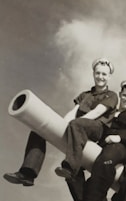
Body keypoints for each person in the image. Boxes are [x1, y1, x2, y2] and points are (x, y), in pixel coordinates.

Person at [3, 58, 117, 193]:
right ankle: (27, 173)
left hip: (96, 129)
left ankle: (70, 167)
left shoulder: (112, 95)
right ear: (93, 74)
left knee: (77, 123)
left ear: (109, 77)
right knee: (39, 131)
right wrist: (60, 125)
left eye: (104, 74)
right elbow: (73, 112)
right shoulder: (85, 95)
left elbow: (97, 112)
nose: (100, 77)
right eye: (98, 73)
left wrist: (73, 124)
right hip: (78, 128)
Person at [61, 80, 126, 201]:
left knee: (105, 161)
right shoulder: (111, 112)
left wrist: (119, 137)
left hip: (122, 148)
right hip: (104, 145)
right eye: (125, 95)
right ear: (120, 94)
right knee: (75, 165)